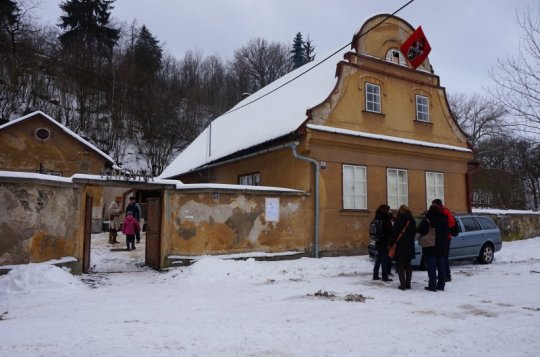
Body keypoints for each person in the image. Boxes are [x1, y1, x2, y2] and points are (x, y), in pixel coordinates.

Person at [419, 204, 449, 292]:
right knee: (441, 266)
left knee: (431, 267)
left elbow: (421, 230)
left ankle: (432, 285)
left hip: (430, 246)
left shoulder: (428, 220)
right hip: (442, 245)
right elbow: (448, 231)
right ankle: (441, 285)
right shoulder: (444, 219)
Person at [388, 205, 416, 290]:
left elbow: (395, 233)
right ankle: (408, 284)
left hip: (400, 245)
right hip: (409, 245)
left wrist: (391, 243)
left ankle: (402, 285)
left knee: (400, 266)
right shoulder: (412, 220)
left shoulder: (398, 219)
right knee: (408, 265)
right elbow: (414, 233)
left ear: (400, 210)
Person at [432, 199, 456, 282]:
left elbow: (451, 222)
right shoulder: (441, 211)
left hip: (446, 237)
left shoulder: (444, 211)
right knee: (442, 257)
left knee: (444, 257)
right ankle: (443, 275)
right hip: (443, 237)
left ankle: (447, 275)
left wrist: (444, 228)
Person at [371, 204, 394, 282]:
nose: (389, 211)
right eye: (388, 209)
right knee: (385, 259)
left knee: (378, 259)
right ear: (385, 210)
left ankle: (375, 275)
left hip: (378, 241)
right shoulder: (386, 217)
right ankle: (384, 276)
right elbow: (390, 230)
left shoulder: (377, 217)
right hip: (385, 241)